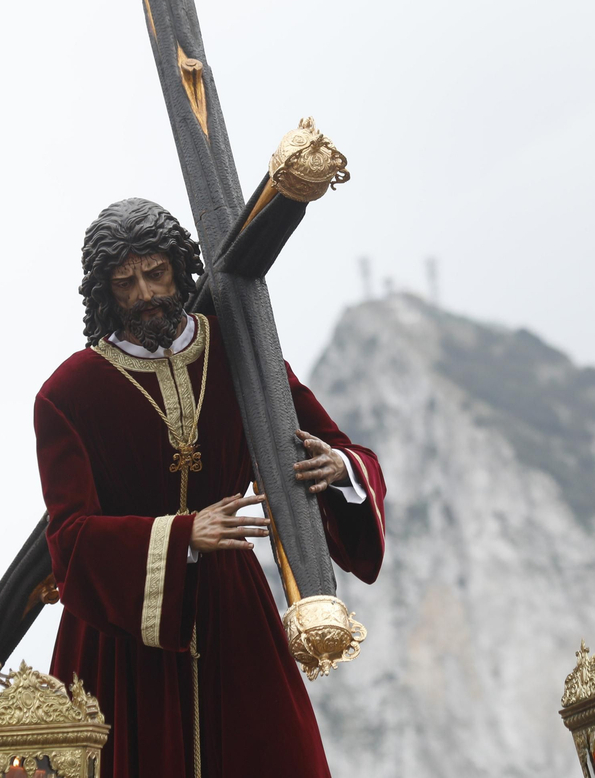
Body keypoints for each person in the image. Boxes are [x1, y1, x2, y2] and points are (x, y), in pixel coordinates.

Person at [34, 197, 385, 778]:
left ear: (179, 266)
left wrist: (340, 468)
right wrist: (181, 536)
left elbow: (344, 449)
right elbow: (68, 540)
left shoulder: (239, 350)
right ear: (104, 291)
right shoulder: (67, 394)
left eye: (156, 273)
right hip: (126, 637)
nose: (146, 294)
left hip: (233, 608)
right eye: (126, 282)